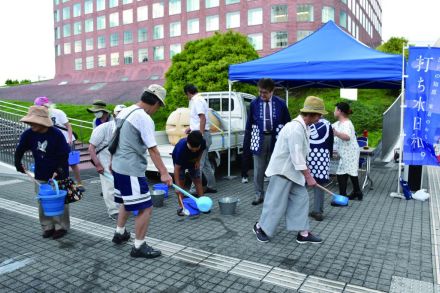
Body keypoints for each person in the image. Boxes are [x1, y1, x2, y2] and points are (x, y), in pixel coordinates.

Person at [253, 96, 326, 244]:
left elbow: (299, 157)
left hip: (293, 173)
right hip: (283, 171)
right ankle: (260, 227)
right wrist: (309, 177)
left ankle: (303, 233)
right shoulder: (295, 129)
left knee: (301, 199)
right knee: (275, 203)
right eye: (319, 114)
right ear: (311, 114)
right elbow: (297, 157)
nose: (321, 117)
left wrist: (306, 174)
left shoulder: (303, 127)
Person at [111, 84, 173, 259]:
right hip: (131, 169)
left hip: (118, 166)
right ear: (155, 103)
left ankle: (120, 233)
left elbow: (114, 138)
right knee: (145, 207)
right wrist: (164, 173)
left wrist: (111, 161)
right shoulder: (143, 118)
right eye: (160, 106)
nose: (158, 110)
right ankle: (138, 246)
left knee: (126, 201)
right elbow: (153, 149)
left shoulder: (125, 111)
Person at [15, 106, 71, 239]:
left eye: (33, 122)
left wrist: (59, 169)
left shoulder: (56, 134)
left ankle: (61, 227)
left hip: (58, 173)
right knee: (43, 201)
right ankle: (48, 226)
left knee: (59, 201)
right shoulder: (28, 134)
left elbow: (64, 154)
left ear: (42, 122)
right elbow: (20, 149)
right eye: (30, 122)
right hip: (40, 173)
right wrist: (18, 163)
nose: (30, 124)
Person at [245, 78, 291, 205]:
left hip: (276, 139)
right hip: (258, 138)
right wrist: (247, 143)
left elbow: (288, 123)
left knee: (275, 168)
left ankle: (273, 196)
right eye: (260, 92)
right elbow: (249, 125)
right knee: (258, 169)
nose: (261, 95)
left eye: (264, 92)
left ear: (272, 91)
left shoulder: (281, 103)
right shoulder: (254, 103)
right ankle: (258, 194)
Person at [34, 97, 85, 192]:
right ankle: (60, 185)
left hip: (66, 140)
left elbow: (68, 126)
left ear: (47, 106)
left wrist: (70, 138)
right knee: (57, 164)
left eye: (41, 107)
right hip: (53, 143)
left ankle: (79, 183)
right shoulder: (39, 116)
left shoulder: (58, 112)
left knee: (72, 162)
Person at [88, 104, 126, 220]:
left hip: (117, 159)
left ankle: (122, 207)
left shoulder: (127, 128)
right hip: (103, 159)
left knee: (119, 184)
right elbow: (91, 148)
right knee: (109, 185)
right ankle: (113, 210)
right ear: (114, 115)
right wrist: (98, 164)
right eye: (119, 113)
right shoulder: (103, 128)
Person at [184, 84, 217, 194]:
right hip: (202, 133)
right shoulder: (200, 99)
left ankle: (194, 190)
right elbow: (199, 119)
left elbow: (202, 118)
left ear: (188, 92)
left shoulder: (197, 101)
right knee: (206, 163)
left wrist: (200, 135)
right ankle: (211, 186)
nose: (187, 97)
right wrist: (191, 128)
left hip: (201, 136)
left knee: (198, 163)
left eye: (186, 95)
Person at [332, 102, 363, 200]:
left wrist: (336, 133)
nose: (334, 111)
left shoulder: (346, 124)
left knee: (343, 173)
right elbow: (330, 127)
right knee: (348, 172)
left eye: (335, 109)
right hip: (346, 152)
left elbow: (347, 137)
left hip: (350, 152)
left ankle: (343, 196)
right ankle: (357, 192)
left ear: (340, 111)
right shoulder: (338, 123)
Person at [172, 131, 206, 216]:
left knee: (198, 180)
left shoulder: (202, 142)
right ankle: (182, 208)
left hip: (193, 161)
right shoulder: (181, 148)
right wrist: (177, 186)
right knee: (181, 185)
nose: (194, 150)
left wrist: (198, 160)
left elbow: (202, 150)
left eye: (196, 148)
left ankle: (202, 205)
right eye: (192, 148)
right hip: (180, 163)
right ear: (188, 142)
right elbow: (176, 169)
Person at [307, 118, 334, 221]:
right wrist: (329, 155)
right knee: (319, 184)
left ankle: (299, 210)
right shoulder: (328, 123)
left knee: (303, 183)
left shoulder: (306, 122)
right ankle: (318, 211)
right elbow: (330, 141)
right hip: (323, 155)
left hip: (308, 154)